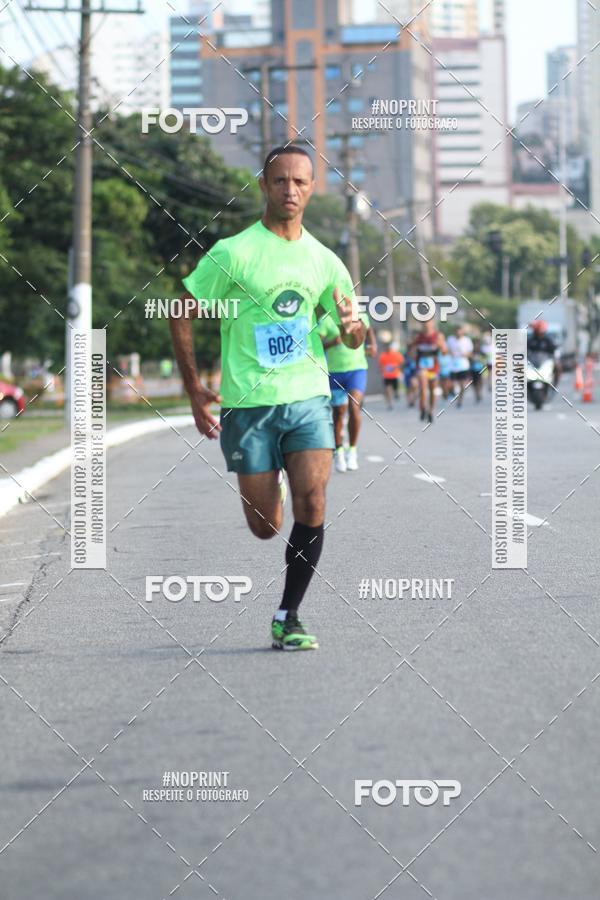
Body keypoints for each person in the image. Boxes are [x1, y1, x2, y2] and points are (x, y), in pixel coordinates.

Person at [169, 145, 365, 651]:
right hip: (248, 405)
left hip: (306, 397)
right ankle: (270, 486)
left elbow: (353, 335)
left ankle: (288, 614)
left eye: (300, 182)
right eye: (281, 181)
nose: (290, 190)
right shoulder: (233, 252)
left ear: (311, 187)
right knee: (264, 527)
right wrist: (193, 388)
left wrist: (352, 330)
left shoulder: (324, 260)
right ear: (263, 184)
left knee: (315, 502)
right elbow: (179, 310)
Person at [319, 313, 376, 471]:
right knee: (338, 415)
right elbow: (317, 344)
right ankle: (339, 452)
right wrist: (332, 342)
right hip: (335, 372)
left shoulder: (360, 315)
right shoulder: (326, 319)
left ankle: (352, 451)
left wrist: (373, 345)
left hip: (356, 370)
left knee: (354, 406)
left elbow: (369, 330)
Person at [410, 320, 447, 424]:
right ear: (422, 325)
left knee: (432, 390)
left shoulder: (438, 336)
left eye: (429, 323)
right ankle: (422, 408)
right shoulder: (418, 336)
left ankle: (430, 410)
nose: (426, 325)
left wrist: (441, 346)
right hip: (421, 366)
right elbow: (412, 350)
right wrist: (413, 352)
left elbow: (444, 352)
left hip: (433, 367)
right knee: (423, 386)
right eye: (424, 323)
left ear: (432, 324)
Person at [528, 320, 561, 387]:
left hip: (545, 362)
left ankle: (554, 384)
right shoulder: (530, 340)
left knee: (558, 366)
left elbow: (554, 350)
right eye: (538, 331)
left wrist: (555, 357)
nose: (540, 333)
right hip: (532, 363)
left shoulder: (548, 340)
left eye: (542, 331)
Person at [447, 325, 474, 408]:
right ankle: (453, 393)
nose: (458, 333)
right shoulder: (450, 339)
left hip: (463, 365)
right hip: (453, 365)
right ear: (454, 332)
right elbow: (446, 350)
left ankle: (460, 401)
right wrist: (450, 352)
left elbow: (471, 353)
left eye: (460, 331)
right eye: (456, 331)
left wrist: (465, 354)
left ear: (462, 332)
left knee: (462, 385)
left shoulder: (467, 340)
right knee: (452, 384)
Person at [378, 341, 404, 410]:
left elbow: (401, 362)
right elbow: (381, 365)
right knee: (388, 389)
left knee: (395, 390)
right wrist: (382, 371)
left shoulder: (396, 354)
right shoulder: (383, 355)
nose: (387, 348)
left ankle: (396, 393)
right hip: (387, 376)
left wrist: (397, 368)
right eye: (385, 347)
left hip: (395, 375)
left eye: (388, 347)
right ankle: (389, 404)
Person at [470, 338, 487, 403]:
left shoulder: (481, 352)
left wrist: (481, 360)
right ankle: (476, 394)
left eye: (477, 344)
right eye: (475, 344)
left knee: (480, 382)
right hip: (472, 369)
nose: (476, 346)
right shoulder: (471, 352)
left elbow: (485, 358)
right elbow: (469, 359)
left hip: (480, 368)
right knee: (474, 383)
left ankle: (479, 393)